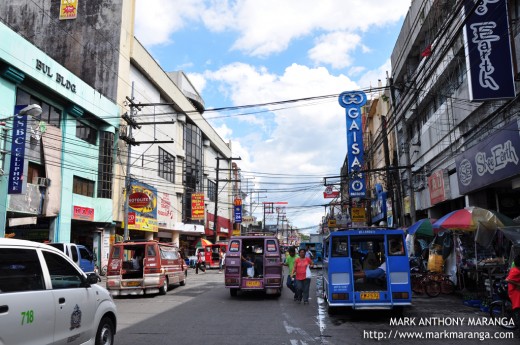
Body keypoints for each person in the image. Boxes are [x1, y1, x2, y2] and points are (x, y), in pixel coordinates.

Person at [506, 254, 520, 332]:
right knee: (518, 310)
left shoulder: (516, 269)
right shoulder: (515, 270)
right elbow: (507, 279)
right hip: (515, 292)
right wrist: (517, 284)